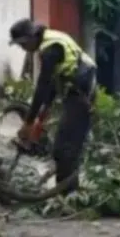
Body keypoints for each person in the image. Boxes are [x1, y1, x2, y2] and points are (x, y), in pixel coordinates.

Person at [9, 18, 97, 189]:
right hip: (75, 92)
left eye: (22, 44)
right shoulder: (51, 40)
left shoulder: (50, 49)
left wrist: (28, 122)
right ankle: (66, 192)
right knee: (65, 148)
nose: (22, 48)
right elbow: (52, 85)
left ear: (32, 37)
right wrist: (41, 116)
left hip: (81, 96)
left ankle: (68, 196)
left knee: (64, 149)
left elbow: (42, 86)